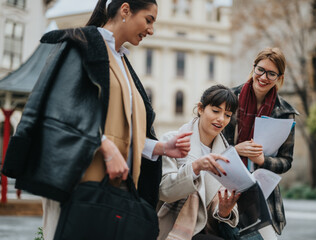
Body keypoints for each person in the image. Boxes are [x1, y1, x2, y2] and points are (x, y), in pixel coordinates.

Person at [1, 0, 192, 239]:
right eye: (149, 20)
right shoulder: (80, 45)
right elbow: (56, 110)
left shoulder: (123, 61)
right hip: (78, 186)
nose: (151, 30)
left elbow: (120, 129)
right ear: (125, 10)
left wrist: (160, 147)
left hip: (112, 194)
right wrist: (103, 146)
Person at [223, 47, 299, 240]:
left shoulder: (285, 113)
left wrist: (263, 159)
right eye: (261, 70)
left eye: (271, 73)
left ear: (279, 77)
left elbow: (286, 161)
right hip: (225, 187)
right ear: (254, 67)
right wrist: (235, 150)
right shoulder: (229, 99)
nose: (264, 77)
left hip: (262, 194)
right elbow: (210, 146)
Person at [157, 85, 241, 240]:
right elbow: (164, 191)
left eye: (228, 115)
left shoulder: (227, 155)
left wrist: (224, 211)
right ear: (201, 109)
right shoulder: (172, 141)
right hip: (173, 228)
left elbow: (220, 210)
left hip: (208, 230)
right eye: (216, 111)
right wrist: (195, 167)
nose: (221, 119)